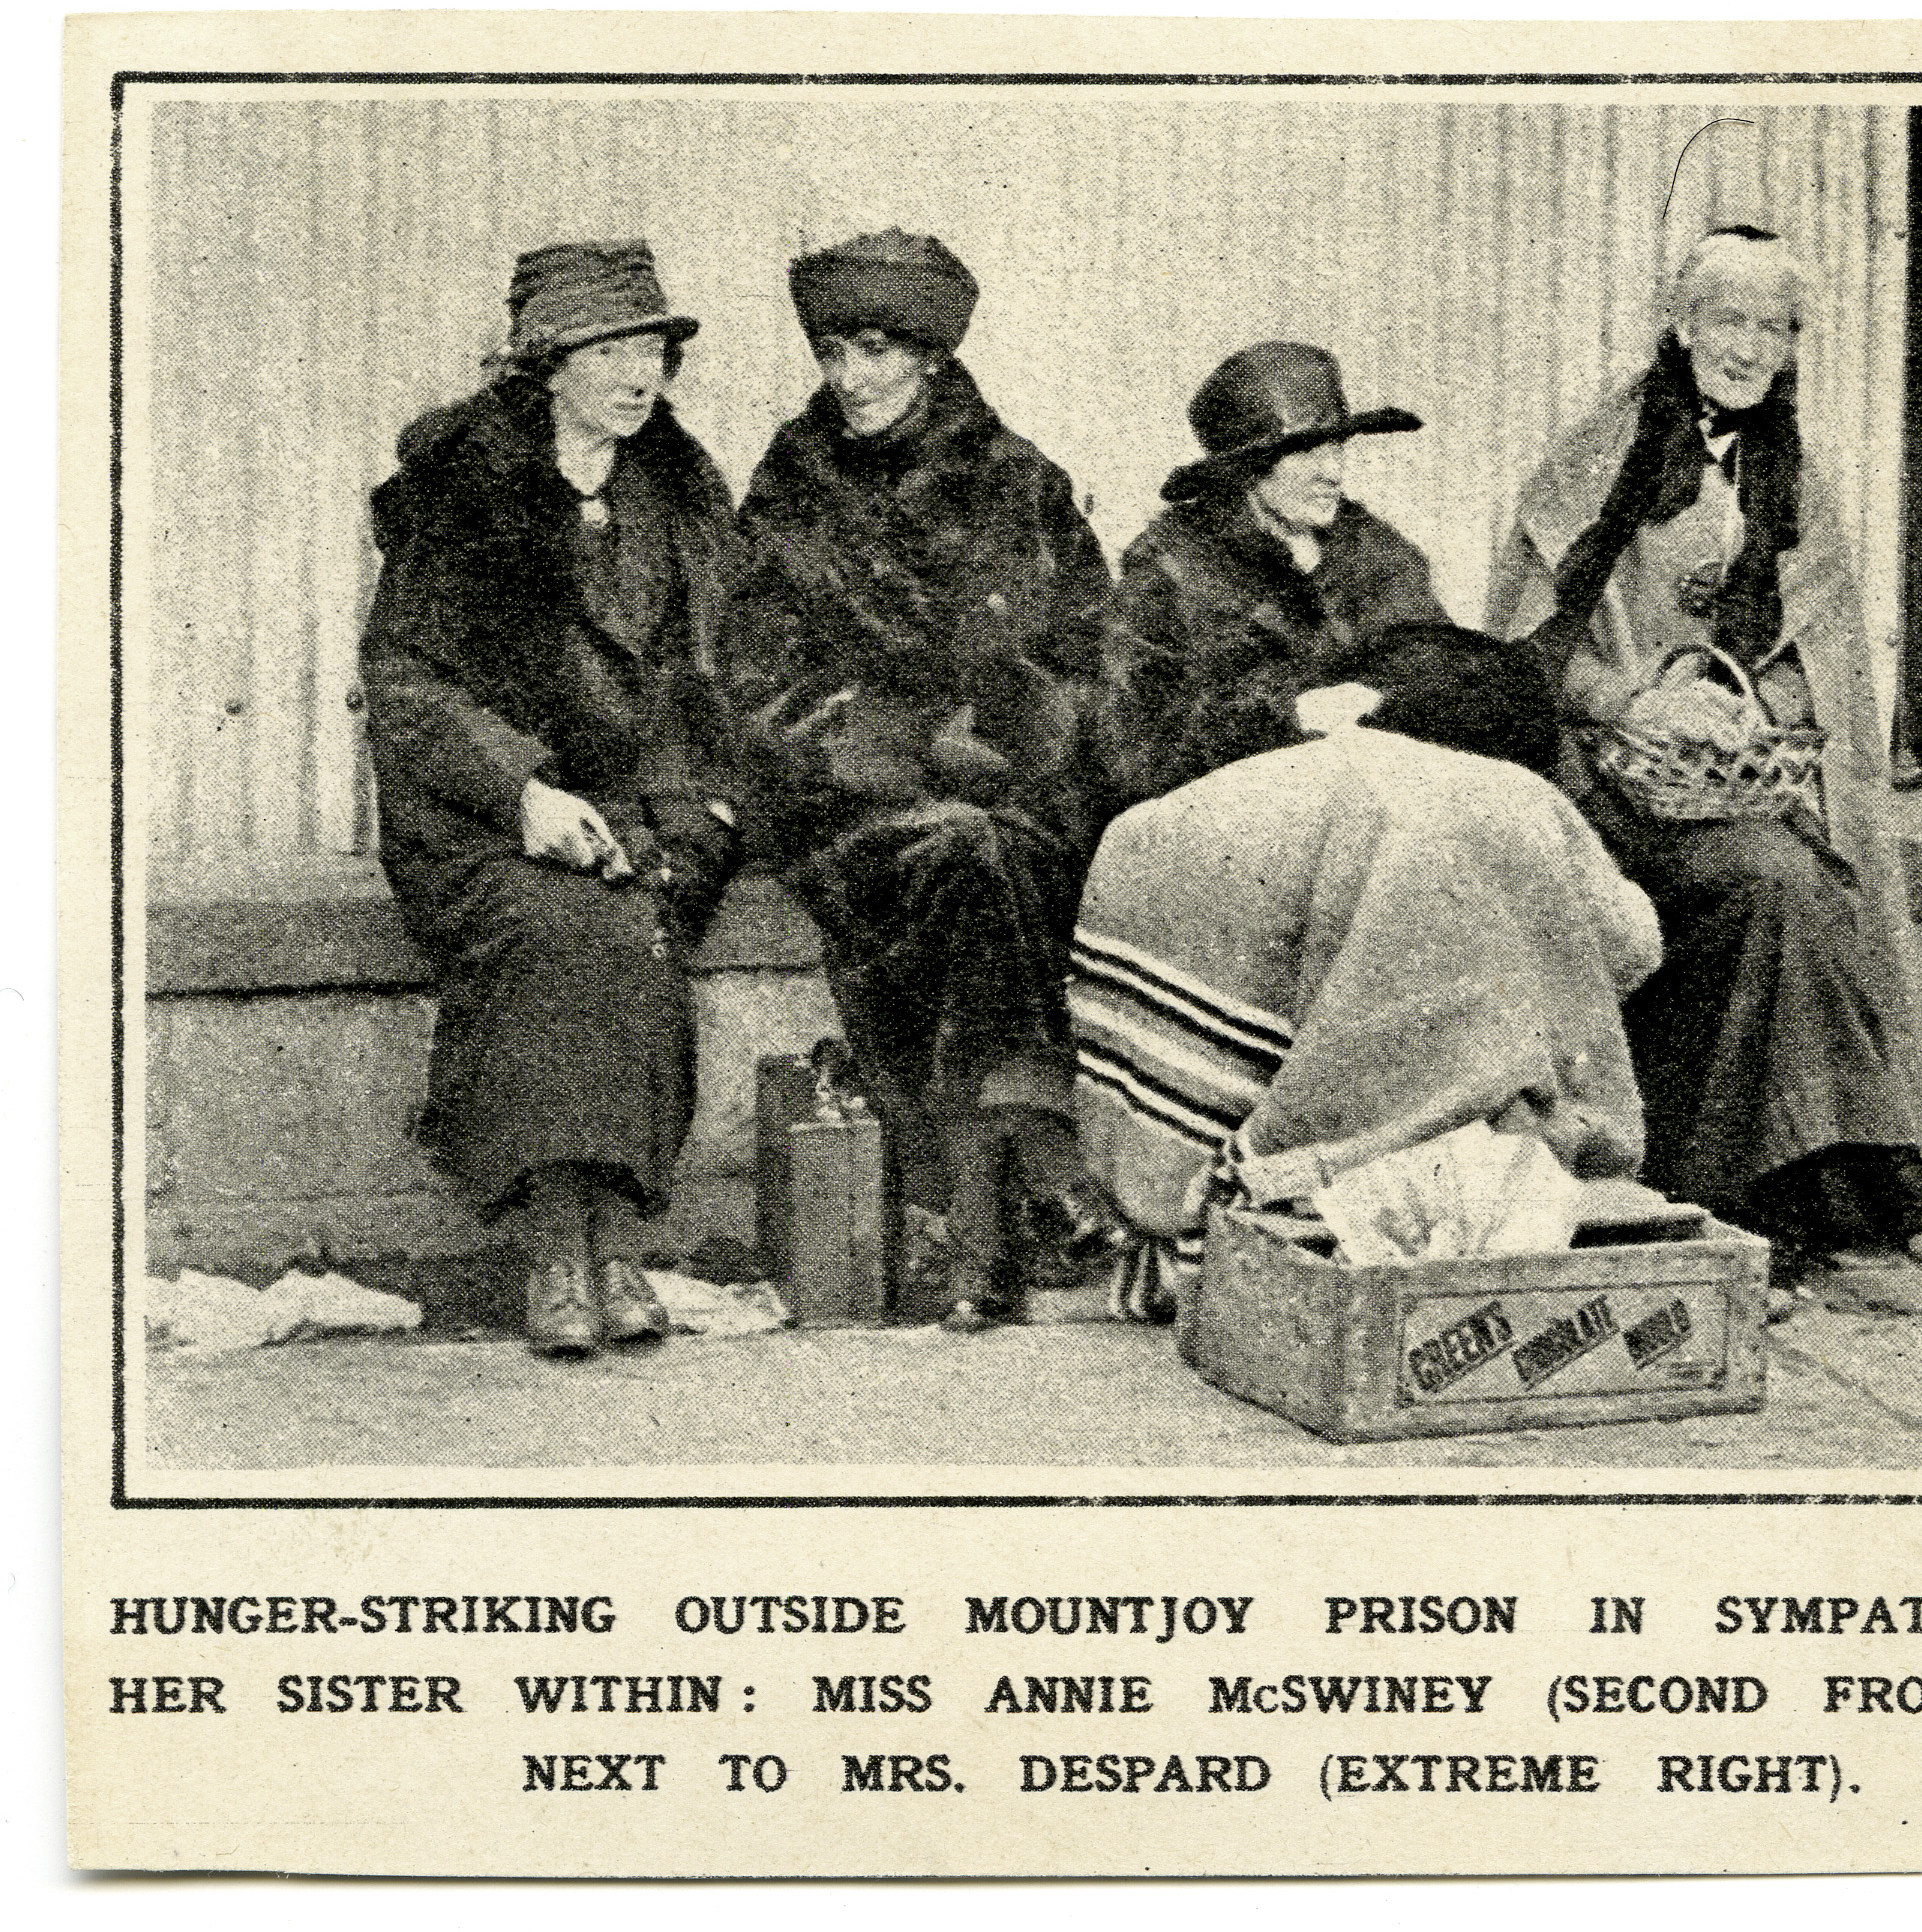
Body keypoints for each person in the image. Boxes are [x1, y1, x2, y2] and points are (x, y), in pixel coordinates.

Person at [1484, 226, 1922, 1299]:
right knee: (1775, 884)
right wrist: (1644, 699)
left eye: (1774, 325)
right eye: (1729, 319)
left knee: (1797, 882)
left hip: (1728, 783)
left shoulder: (1790, 472)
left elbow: (1825, 650)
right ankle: (1866, 1184)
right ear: (1681, 326)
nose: (1750, 346)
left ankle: (1763, 1200)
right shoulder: (1596, 454)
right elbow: (1535, 648)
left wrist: (1755, 701)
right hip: (1602, 787)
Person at [726, 229, 1122, 1332]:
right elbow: (754, 686)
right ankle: (1033, 1164)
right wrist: (906, 744)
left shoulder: (1021, 482)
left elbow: (1088, 658)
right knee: (968, 859)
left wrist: (1008, 737)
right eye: (830, 353)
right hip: (846, 807)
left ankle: (979, 1246)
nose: (847, 379)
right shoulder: (790, 490)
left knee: (985, 857)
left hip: (1002, 801)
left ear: (932, 356)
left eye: (872, 351)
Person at [362, 240, 744, 1357]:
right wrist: (521, 788)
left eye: (653, 352)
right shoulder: (463, 485)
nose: (639, 376)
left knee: (632, 917)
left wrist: (699, 810)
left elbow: (708, 674)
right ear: (546, 366)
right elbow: (405, 679)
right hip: (479, 817)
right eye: (610, 351)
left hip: (640, 805)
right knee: (555, 926)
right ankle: (556, 1250)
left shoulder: (675, 492)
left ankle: (612, 1245)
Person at [1075, 623, 1661, 1319]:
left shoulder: (1248, 784)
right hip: (1277, 1183)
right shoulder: (1493, 794)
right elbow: (1629, 944)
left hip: (1158, 1158)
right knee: (1496, 1062)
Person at [1100, 341, 1445, 807]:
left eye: (1338, 447)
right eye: (1305, 454)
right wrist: (1289, 714)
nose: (1333, 473)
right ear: (1246, 469)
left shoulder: (1379, 552)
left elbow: (1438, 670)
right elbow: (1136, 754)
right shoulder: (1168, 569)